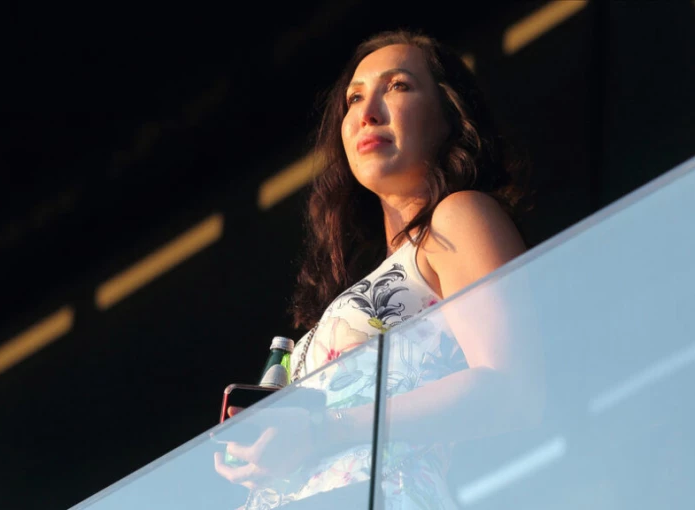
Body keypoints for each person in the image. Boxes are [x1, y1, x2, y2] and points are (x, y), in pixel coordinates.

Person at [214, 28, 545, 509]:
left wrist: (323, 428)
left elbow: (511, 387)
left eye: (398, 86)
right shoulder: (375, 274)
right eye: (354, 97)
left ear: (449, 117)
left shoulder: (458, 216)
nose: (367, 112)